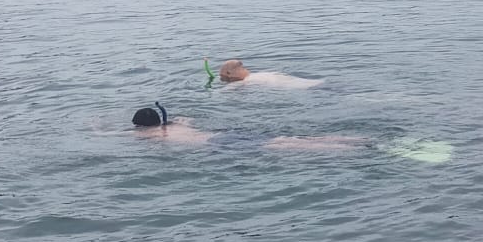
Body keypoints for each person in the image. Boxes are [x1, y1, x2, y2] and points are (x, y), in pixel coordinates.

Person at [131, 105, 363, 151]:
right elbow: (187, 118)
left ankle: (347, 150)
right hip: (221, 135)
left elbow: (110, 134)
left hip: (217, 144)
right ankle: (353, 140)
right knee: (284, 138)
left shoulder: (149, 136)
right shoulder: (174, 125)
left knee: (285, 145)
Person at [214, 58, 323, 89]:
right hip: (305, 83)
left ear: (228, 73)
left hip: (301, 86)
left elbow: (222, 92)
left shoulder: (243, 82)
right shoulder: (255, 76)